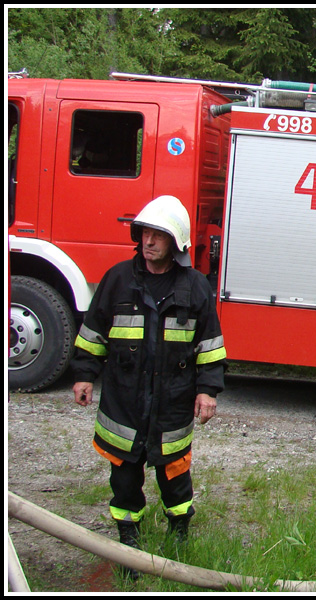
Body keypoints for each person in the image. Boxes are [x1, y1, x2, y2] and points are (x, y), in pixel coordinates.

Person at [71, 195, 226, 577]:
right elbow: (93, 331)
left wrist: (207, 390)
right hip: (124, 399)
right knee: (124, 476)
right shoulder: (118, 279)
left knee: (175, 473)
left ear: (177, 242)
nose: (149, 241)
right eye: (145, 234)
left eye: (159, 235)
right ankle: (130, 543)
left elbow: (210, 344)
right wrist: (84, 374)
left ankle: (179, 534)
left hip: (173, 399)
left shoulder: (195, 287)